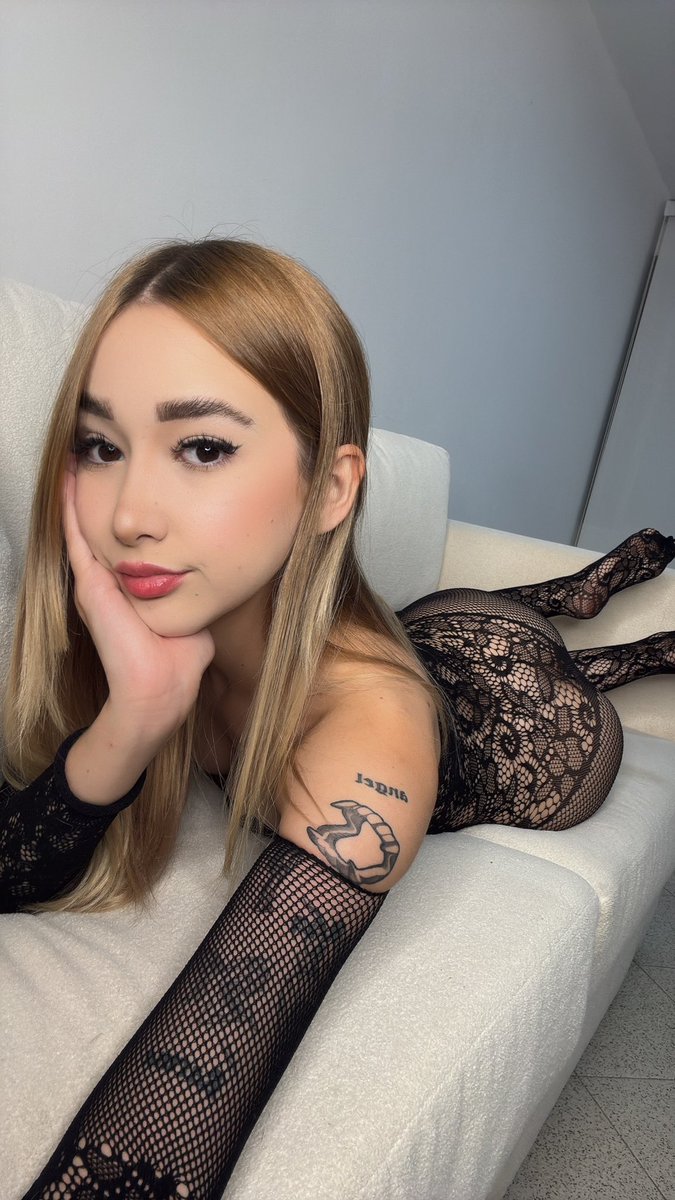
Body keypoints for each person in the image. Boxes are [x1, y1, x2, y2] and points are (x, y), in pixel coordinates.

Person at [1, 237, 673, 1200]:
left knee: (548, 670)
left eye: (202, 448)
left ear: (330, 489)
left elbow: (170, 1120)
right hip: (421, 637)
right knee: (435, 635)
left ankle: (628, 646)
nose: (127, 515)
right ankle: (580, 598)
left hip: (525, 725)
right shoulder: (165, 626)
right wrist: (135, 715)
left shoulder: (369, 742)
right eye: (102, 447)